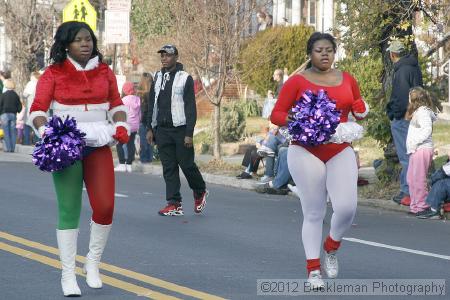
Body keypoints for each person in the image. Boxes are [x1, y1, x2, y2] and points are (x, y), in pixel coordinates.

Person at [28, 21, 129, 297]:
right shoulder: (53, 73)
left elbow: (118, 104)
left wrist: (121, 124)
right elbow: (37, 110)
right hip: (66, 145)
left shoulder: (105, 72)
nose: (86, 43)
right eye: (79, 39)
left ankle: (93, 263)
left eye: (89, 39)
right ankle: (68, 273)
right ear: (66, 44)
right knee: (69, 208)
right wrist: (46, 131)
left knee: (105, 206)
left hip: (98, 143)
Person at [270, 32, 369, 288]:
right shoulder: (296, 81)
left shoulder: (348, 78)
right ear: (310, 54)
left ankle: (331, 246)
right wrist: (298, 121)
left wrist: (361, 109)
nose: (325, 54)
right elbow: (277, 114)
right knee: (314, 212)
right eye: (318, 50)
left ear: (334, 53)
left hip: (339, 148)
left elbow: (358, 109)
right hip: (305, 149)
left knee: (347, 208)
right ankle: (313, 269)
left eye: (329, 49)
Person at [146, 44, 208, 216]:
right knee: (169, 168)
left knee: (186, 165)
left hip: (180, 130)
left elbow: (190, 108)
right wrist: (150, 128)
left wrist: (189, 133)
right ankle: (174, 203)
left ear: (176, 57)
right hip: (162, 130)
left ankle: (200, 190)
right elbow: (152, 103)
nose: (164, 58)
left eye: (168, 55)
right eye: (162, 56)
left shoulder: (184, 78)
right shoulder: (157, 77)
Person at [386, 40, 423, 206]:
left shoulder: (401, 71)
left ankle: (407, 191)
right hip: (416, 115)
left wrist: (393, 113)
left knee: (406, 156)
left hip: (403, 118)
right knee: (413, 154)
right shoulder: (414, 67)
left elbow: (401, 99)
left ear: (393, 54)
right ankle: (410, 190)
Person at [405, 87, 439, 216]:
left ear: (415, 99)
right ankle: (415, 206)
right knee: (411, 178)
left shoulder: (424, 112)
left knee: (418, 179)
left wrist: (415, 142)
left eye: (410, 96)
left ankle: (422, 206)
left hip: (422, 149)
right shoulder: (418, 111)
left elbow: (427, 130)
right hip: (416, 150)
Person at [114, 81, 141, 172]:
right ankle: (129, 164)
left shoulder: (124, 100)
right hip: (134, 125)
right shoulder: (138, 100)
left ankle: (122, 164)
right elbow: (139, 114)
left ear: (125, 90)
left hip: (125, 125)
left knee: (119, 144)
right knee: (131, 144)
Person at [0, 79, 22, 152]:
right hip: (13, 114)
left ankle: (8, 148)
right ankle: (12, 148)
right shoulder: (16, 95)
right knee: (13, 132)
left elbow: (0, 105)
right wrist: (17, 111)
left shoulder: (3, 95)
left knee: (6, 132)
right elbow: (19, 106)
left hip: (4, 114)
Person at [138, 72, 154, 163]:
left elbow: (143, 110)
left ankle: (145, 160)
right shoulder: (149, 94)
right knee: (149, 142)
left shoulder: (140, 95)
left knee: (144, 142)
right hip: (149, 121)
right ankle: (148, 159)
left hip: (143, 121)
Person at [22, 72, 41, 145]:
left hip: (30, 107)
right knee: (37, 126)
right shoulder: (41, 83)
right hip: (39, 108)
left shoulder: (31, 83)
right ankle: (38, 142)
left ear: (33, 77)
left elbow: (25, 94)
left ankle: (26, 142)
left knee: (27, 125)